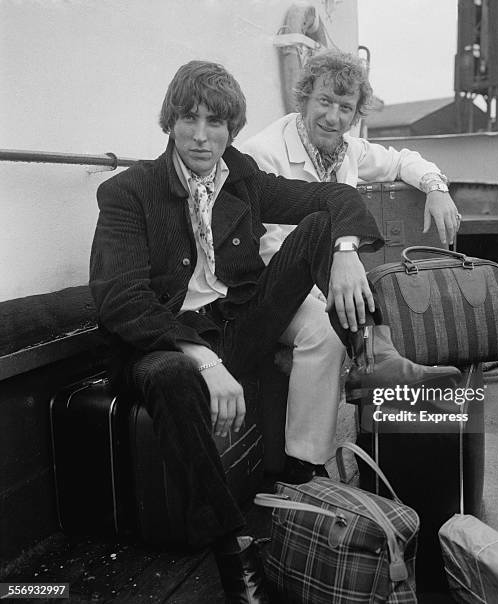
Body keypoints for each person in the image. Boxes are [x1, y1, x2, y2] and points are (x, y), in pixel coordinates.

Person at [89, 60, 459, 603]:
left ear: (230, 130)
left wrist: (345, 250)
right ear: (169, 121)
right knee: (172, 377)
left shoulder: (238, 173)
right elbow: (120, 299)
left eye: (215, 123)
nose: (200, 135)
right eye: (188, 119)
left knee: (318, 227)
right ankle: (233, 550)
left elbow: (332, 199)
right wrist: (205, 361)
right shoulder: (129, 192)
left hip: (235, 323)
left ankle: (360, 374)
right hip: (165, 340)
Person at [239, 49, 462, 462]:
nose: (334, 117)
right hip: (267, 291)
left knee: (327, 333)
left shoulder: (349, 151)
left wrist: (436, 188)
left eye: (346, 108)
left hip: (324, 286)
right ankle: (374, 351)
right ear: (303, 98)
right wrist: (334, 295)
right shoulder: (263, 153)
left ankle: (306, 461)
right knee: (332, 261)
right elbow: (269, 251)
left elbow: (401, 160)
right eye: (324, 102)